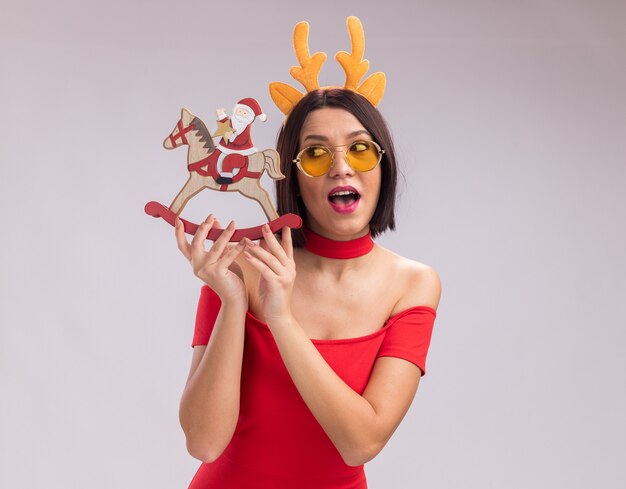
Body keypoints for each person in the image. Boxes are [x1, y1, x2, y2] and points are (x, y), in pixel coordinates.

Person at [173, 87, 442, 489]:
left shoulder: (413, 284)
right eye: (316, 154)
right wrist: (233, 302)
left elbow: (361, 442)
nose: (341, 168)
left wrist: (279, 316)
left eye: (360, 150)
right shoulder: (240, 268)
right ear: (292, 178)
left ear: (383, 165)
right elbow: (204, 442)